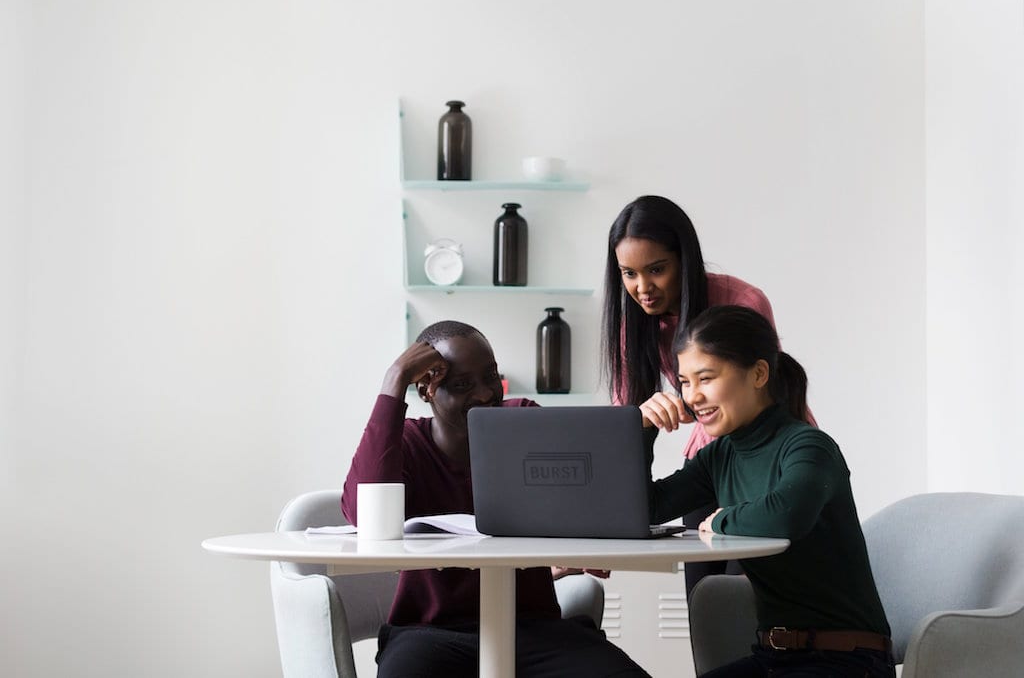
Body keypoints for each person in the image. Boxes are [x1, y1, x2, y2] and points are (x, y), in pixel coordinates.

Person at [342, 320, 650, 678]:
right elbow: (362, 515)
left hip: (533, 628)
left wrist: (587, 543)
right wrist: (394, 380)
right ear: (426, 389)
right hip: (429, 634)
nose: (486, 393)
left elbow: (578, 500)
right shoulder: (407, 444)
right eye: (461, 385)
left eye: (491, 376)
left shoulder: (523, 421)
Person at [643, 306, 894, 677]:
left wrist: (722, 519)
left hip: (849, 660)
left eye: (706, 378)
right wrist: (642, 430)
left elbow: (785, 515)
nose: (692, 396)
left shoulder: (808, 446)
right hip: (774, 659)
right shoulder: (720, 455)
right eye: (684, 382)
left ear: (759, 373)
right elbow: (645, 508)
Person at [601, 194, 813, 597]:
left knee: (744, 598)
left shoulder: (742, 301)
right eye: (628, 274)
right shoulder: (634, 325)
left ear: (684, 259)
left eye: (657, 270)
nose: (642, 288)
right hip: (713, 463)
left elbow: (755, 397)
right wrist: (643, 419)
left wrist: (693, 417)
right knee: (703, 600)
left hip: (767, 461)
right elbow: (621, 424)